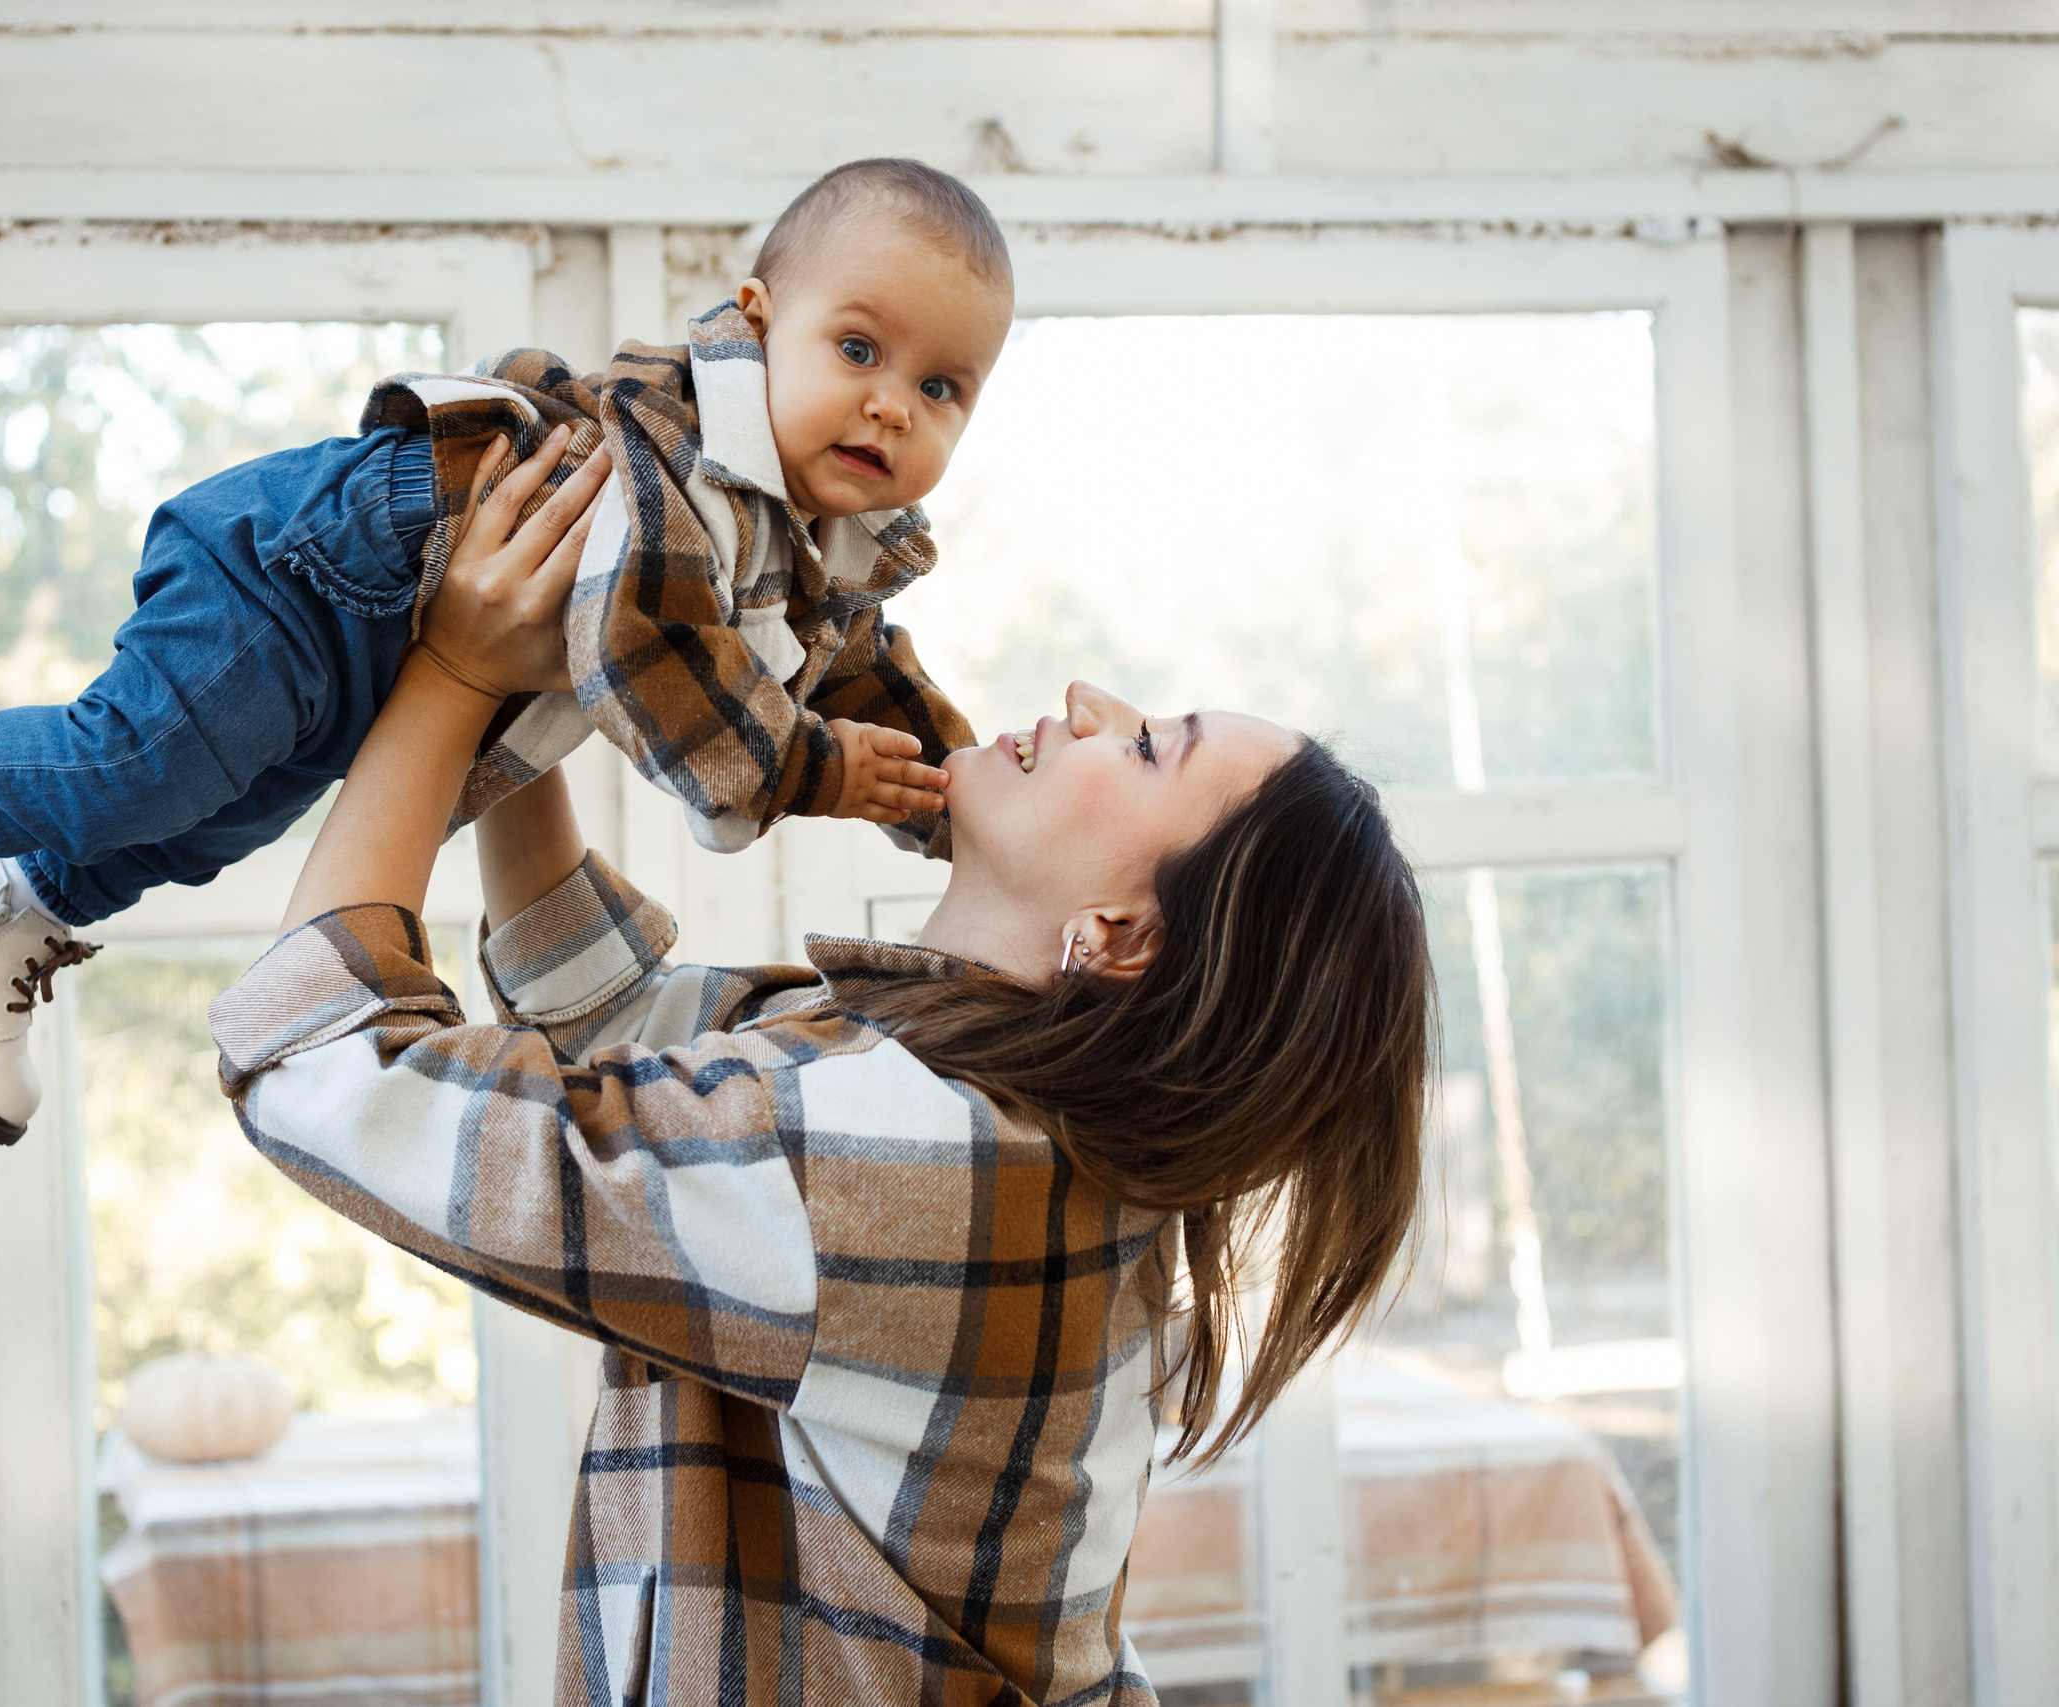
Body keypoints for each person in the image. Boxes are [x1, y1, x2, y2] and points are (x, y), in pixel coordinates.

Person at [210, 410, 1436, 1703]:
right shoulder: (989, 1110)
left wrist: (452, 680)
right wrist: (541, 668)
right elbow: (607, 1011)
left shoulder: (912, 1156)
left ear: (1121, 934)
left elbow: (323, 1064)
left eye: (1145, 745)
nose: (1088, 701)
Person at [0, 157, 1011, 1142]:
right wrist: (809, 769)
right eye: (858, 349)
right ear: (758, 321)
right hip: (314, 560)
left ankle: (4, 919)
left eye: (941, 387)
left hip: (383, 650)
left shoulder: (818, 546)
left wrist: (964, 799)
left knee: (212, 821)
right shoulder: (689, 456)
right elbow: (648, 648)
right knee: (139, 762)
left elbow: (861, 673)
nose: (891, 404)